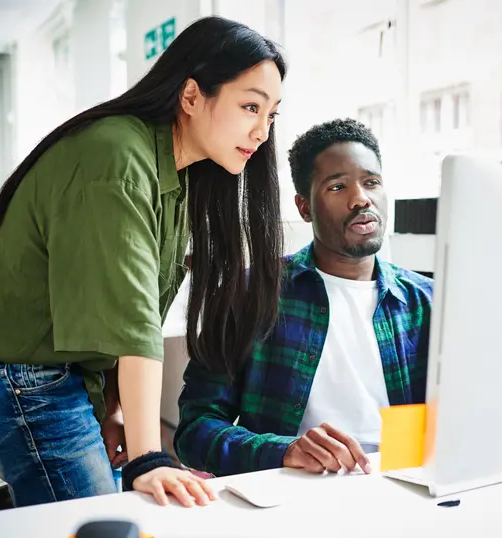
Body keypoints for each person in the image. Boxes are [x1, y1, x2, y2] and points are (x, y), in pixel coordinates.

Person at [0, 16, 285, 508]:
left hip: (65, 378)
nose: (262, 131)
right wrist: (147, 456)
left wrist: (115, 409)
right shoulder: (116, 157)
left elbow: (123, 309)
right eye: (249, 107)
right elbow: (134, 323)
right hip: (29, 384)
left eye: (272, 115)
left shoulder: (178, 174)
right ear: (192, 96)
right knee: (104, 520)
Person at [175, 118, 433, 477]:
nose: (361, 199)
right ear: (304, 207)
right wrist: (283, 451)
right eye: (338, 187)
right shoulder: (251, 294)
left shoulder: (427, 303)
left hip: (402, 487)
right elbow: (195, 430)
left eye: (371, 183)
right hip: (293, 492)